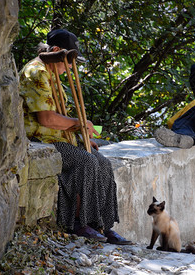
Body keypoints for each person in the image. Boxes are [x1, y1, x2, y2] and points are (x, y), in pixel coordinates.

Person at [19, 28, 131, 244]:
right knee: (86, 161)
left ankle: (103, 225)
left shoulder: (52, 73)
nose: (71, 66)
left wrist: (82, 137)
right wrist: (80, 124)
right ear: (57, 51)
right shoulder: (37, 72)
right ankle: (80, 223)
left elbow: (61, 118)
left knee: (103, 163)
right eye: (69, 61)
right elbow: (47, 119)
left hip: (61, 139)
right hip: (41, 140)